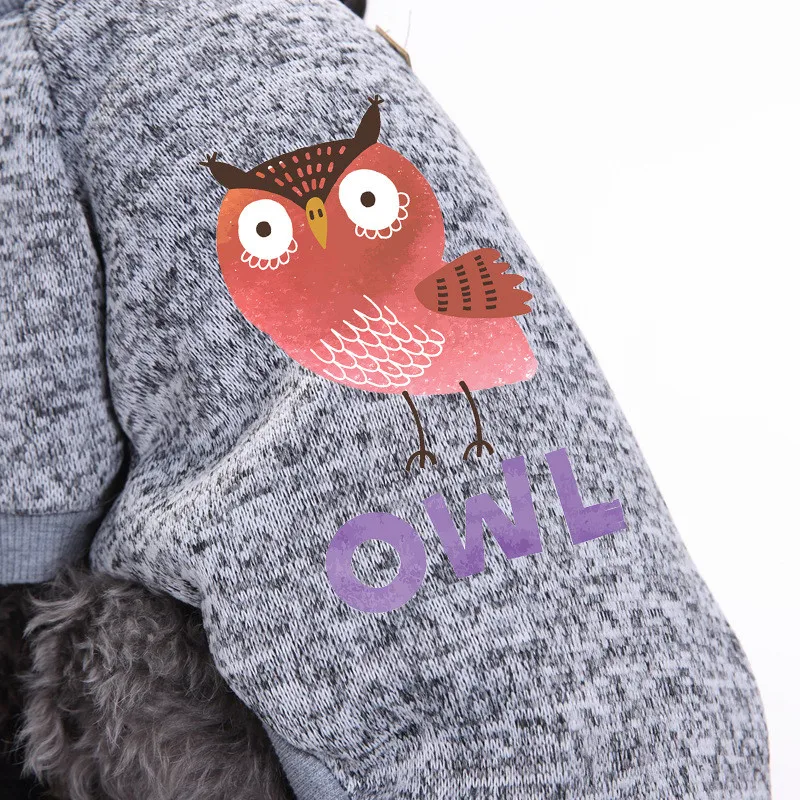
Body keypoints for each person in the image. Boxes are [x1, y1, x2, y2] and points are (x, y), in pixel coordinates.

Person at [0, 0, 769, 797]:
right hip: (686, 724)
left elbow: (36, 469)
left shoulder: (55, 44)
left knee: (83, 638)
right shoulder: (326, 46)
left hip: (332, 746)